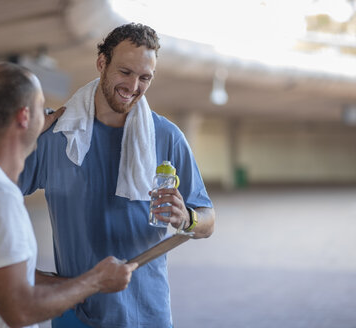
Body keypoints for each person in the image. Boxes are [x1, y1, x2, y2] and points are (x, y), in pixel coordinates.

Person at [19, 23, 216, 328]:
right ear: (102, 63)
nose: (133, 86)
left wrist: (186, 218)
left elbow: (208, 220)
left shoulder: (166, 137)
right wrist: (28, 274)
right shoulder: (59, 135)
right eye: (125, 72)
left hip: (149, 314)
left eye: (144, 77)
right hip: (75, 312)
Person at [0, 62, 138, 328]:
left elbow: (1, 269)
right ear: (23, 117)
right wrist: (96, 281)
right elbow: (20, 310)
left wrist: (71, 284)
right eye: (41, 107)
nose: (49, 114)